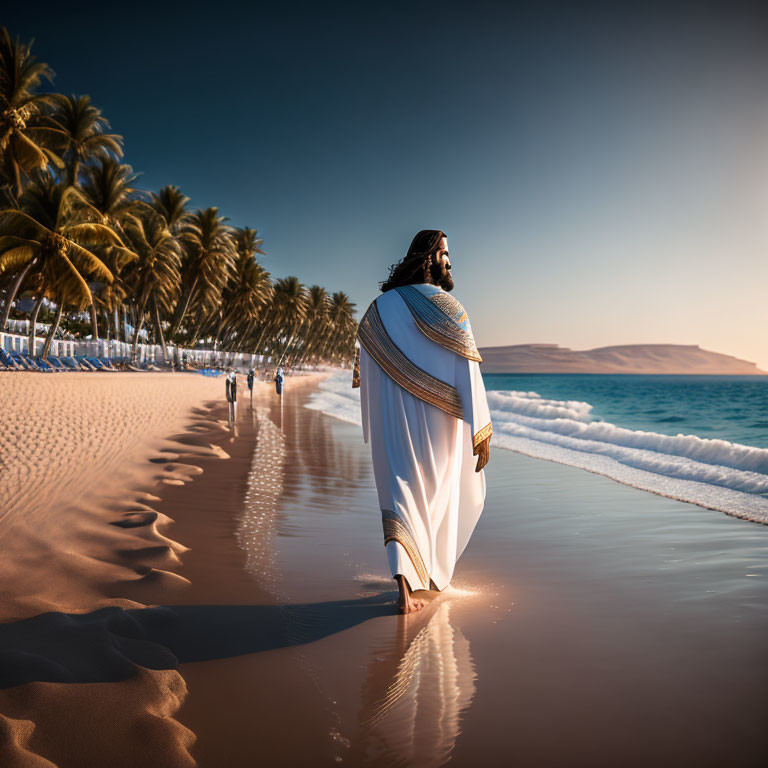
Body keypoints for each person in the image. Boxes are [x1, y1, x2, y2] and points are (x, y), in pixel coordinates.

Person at [354, 230, 491, 614]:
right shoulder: (449, 307)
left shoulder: (379, 307)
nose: (449, 260)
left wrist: (382, 407)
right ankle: (415, 584)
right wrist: (480, 426)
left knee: (401, 490)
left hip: (393, 415)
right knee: (433, 496)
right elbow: (469, 369)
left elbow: (364, 363)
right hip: (439, 422)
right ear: (429, 257)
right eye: (444, 252)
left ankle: (411, 582)